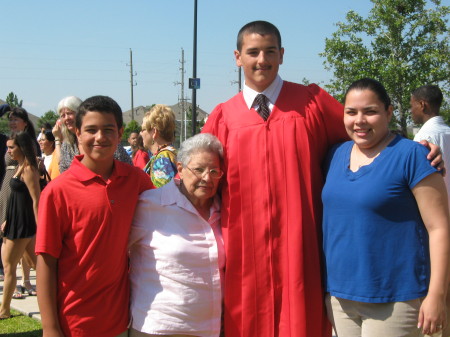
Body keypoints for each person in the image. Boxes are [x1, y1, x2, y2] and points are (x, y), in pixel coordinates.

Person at [202, 21, 444, 337]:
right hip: (245, 259)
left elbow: (364, 133)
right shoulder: (223, 117)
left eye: (270, 51)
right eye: (253, 52)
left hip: (304, 253)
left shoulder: (311, 103)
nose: (262, 59)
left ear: (282, 54)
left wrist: (412, 147)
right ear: (238, 57)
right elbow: (199, 181)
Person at [322, 78, 449, 337]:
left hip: (397, 298)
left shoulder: (413, 156)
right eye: (351, 112)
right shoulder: (334, 155)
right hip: (341, 298)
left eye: (370, 111)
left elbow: (439, 228)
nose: (360, 120)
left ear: (388, 112)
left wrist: (437, 294)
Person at [36, 95, 152, 337]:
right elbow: (46, 262)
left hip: (123, 320)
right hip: (74, 323)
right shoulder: (57, 192)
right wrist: (50, 327)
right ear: (77, 133)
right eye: (91, 130)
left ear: (120, 133)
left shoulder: (137, 181)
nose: (100, 137)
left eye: (108, 130)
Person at [128, 133, 225, 337]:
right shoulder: (150, 205)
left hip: (210, 328)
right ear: (180, 169)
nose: (207, 178)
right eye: (199, 170)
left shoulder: (223, 211)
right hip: (160, 327)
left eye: (214, 171)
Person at [411, 84, 450, 337]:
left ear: (422, 105)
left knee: (436, 298)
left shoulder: (424, 139)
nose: (412, 109)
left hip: (434, 224)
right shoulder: (446, 131)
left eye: (412, 104)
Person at [0, 132, 41, 319]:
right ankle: (57, 299)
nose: (8, 151)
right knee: (38, 266)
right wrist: (7, 218)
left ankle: (4, 310)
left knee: (9, 267)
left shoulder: (29, 169)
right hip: (14, 222)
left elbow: (36, 200)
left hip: (23, 225)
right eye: (8, 147)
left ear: (21, 148)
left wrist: (40, 229)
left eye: (11, 147)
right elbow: (16, 197)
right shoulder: (18, 166)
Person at [53, 95, 132, 173]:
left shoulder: (107, 142)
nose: (66, 118)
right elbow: (62, 167)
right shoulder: (67, 145)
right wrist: (57, 139)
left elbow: (127, 168)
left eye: (69, 113)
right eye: (63, 115)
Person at [141, 104, 177, 188]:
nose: (141, 133)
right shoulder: (172, 153)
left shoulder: (162, 160)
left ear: (154, 132)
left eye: (143, 129)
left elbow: (163, 196)